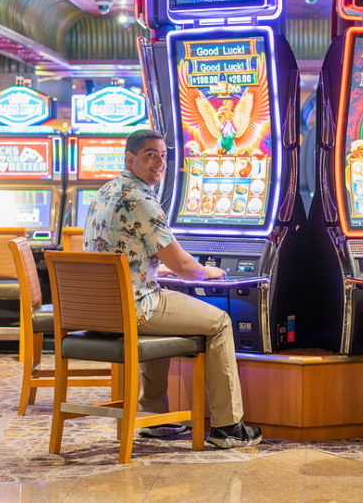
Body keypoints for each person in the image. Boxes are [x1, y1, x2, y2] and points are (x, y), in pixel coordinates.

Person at [83, 128, 262, 449]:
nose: (160, 162)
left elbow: (122, 251)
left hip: (104, 310)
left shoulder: (106, 191)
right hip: (137, 307)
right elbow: (185, 267)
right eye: (150, 154)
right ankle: (228, 426)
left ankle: (155, 416)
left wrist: (157, 266)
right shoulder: (141, 201)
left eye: (163, 155)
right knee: (220, 322)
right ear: (130, 158)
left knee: (169, 307)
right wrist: (208, 271)